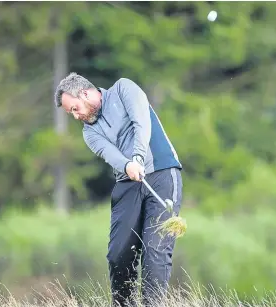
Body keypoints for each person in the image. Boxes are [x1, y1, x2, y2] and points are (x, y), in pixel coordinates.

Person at [54, 72, 183, 306]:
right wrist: (127, 164)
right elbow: (110, 154)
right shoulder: (89, 132)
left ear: (84, 93)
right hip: (127, 183)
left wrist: (137, 157)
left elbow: (141, 122)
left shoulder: (123, 89)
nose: (75, 116)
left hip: (163, 173)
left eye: (74, 108)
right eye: (70, 113)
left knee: (155, 251)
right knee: (118, 255)